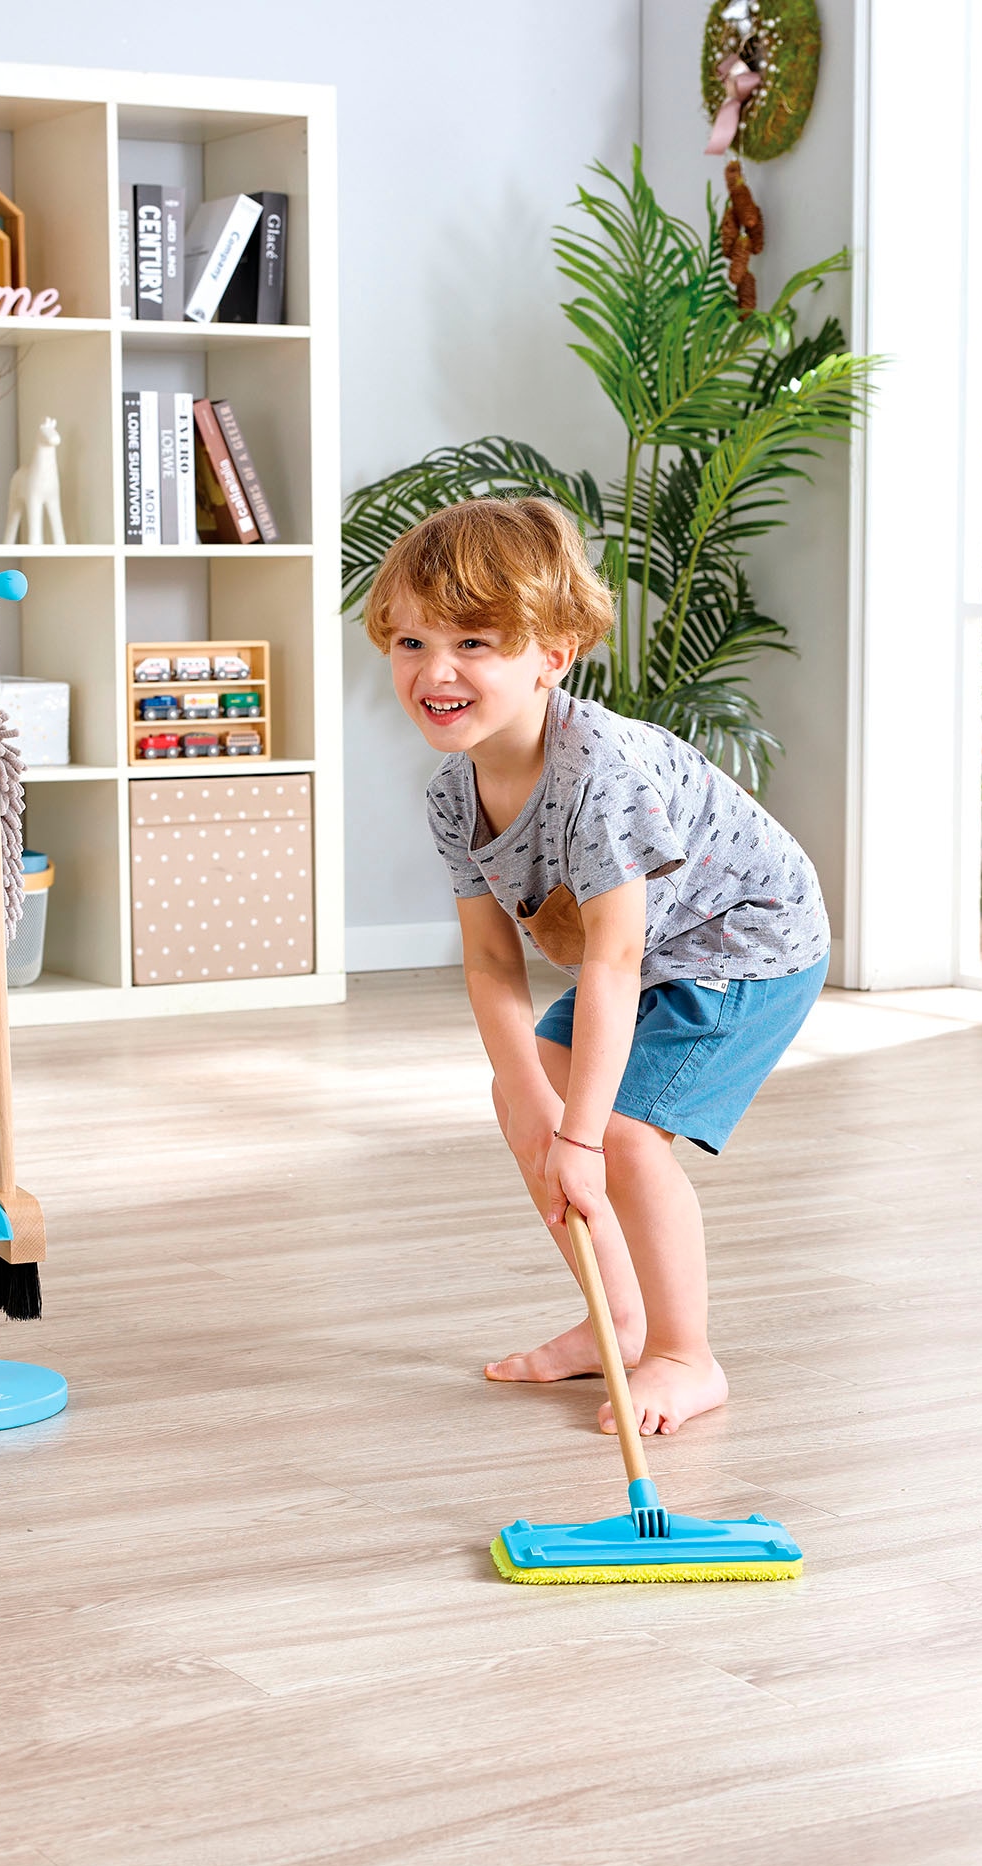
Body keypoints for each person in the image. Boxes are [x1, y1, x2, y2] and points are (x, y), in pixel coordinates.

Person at [365, 497, 829, 1437]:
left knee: (615, 1136)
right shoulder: (456, 793)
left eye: (475, 643)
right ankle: (616, 1322)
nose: (435, 671)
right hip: (657, 951)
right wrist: (538, 1114)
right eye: (410, 642)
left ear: (553, 653)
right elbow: (493, 963)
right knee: (524, 1101)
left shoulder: (602, 776)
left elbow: (612, 963)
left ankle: (685, 1357)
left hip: (747, 941)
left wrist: (575, 1136)